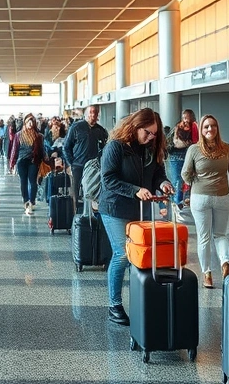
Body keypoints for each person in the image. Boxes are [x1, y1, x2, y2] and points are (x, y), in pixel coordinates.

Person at [99, 108, 175, 326]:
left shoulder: (150, 148)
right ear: (135, 126)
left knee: (140, 256)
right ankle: (114, 305)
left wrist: (163, 183)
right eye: (147, 132)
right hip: (114, 207)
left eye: (154, 133)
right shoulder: (116, 147)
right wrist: (135, 189)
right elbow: (108, 180)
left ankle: (139, 301)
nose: (151, 137)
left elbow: (157, 174)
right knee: (122, 254)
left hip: (139, 208)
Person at [181, 114, 229, 289]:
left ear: (215, 128)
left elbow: (185, 174)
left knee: (204, 237)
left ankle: (207, 274)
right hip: (222, 196)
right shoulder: (227, 148)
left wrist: (194, 179)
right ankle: (225, 263)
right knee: (220, 235)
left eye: (211, 126)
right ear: (202, 129)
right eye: (207, 126)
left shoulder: (194, 149)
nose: (209, 129)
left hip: (200, 198)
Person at [62, 105, 110, 211]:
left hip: (93, 167)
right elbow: (66, 147)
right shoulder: (76, 127)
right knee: (75, 192)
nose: (93, 115)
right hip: (78, 165)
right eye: (91, 112)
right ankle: (74, 217)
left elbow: (105, 149)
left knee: (92, 191)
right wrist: (71, 164)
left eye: (95, 113)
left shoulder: (100, 130)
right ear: (86, 114)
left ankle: (90, 217)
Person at [8, 113, 49, 216]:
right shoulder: (18, 135)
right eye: (28, 122)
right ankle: (26, 201)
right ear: (25, 123)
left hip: (33, 161)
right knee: (23, 181)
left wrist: (46, 158)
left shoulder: (38, 136)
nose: (30, 123)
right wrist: (12, 163)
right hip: (22, 161)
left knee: (33, 181)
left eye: (32, 122)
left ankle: (31, 201)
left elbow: (42, 149)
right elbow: (14, 150)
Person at [169, 109, 199, 221]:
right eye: (184, 117)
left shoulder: (194, 126)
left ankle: (179, 207)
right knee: (177, 182)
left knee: (185, 182)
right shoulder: (178, 127)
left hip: (187, 156)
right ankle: (176, 208)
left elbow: (196, 141)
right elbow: (176, 142)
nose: (185, 120)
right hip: (176, 156)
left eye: (187, 117)